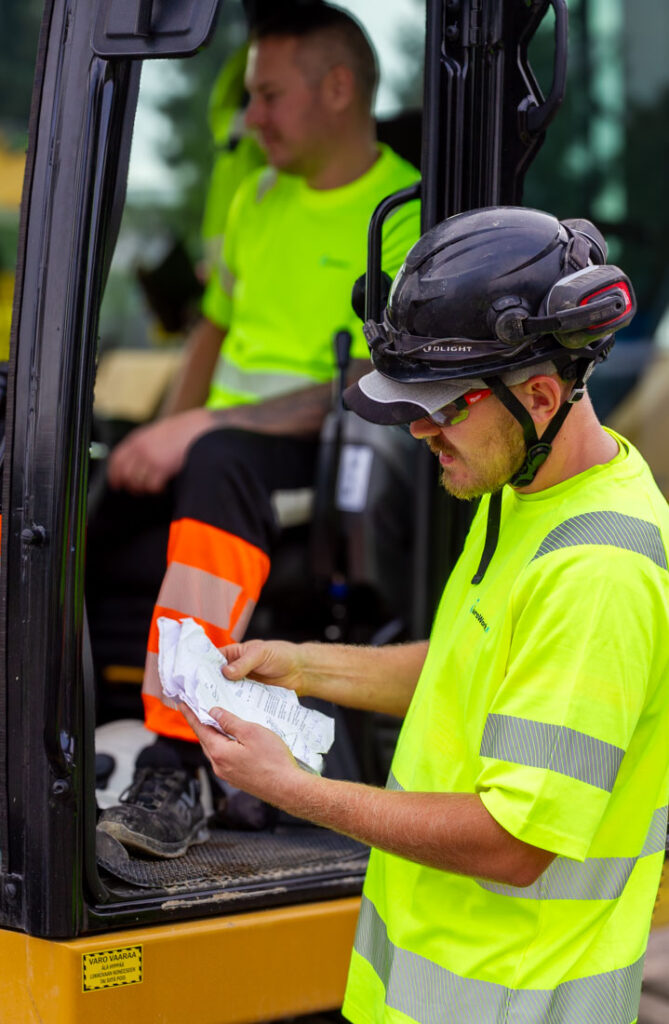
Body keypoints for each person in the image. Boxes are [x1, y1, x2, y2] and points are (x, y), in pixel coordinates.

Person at [180, 207, 669, 1024]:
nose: (418, 430)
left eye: (441, 408)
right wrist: (302, 666)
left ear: (540, 395)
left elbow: (510, 844)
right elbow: (468, 670)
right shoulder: (521, 490)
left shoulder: (598, 572)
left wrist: (294, 788)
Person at [95, 3, 420, 857]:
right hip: (221, 445)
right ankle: (54, 733)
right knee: (70, 490)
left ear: (338, 89)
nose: (251, 120)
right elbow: (211, 329)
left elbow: (368, 388)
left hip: (332, 456)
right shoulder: (257, 198)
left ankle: (174, 762)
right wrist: (150, 444)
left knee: (213, 460)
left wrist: (194, 431)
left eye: (269, 97)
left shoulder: (404, 221)